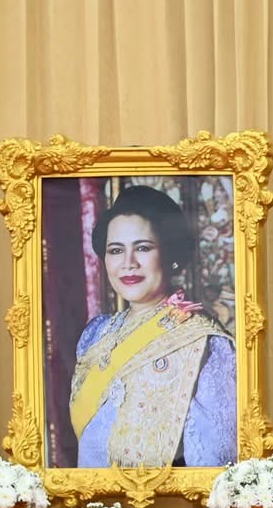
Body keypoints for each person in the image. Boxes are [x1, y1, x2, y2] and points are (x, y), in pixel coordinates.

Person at [68, 184, 237, 469]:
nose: (128, 263)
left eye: (143, 248)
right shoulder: (95, 334)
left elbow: (213, 463)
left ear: (169, 255)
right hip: (94, 506)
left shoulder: (203, 341)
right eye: (115, 250)